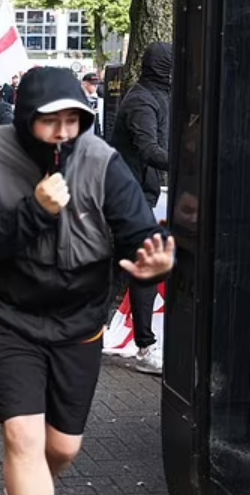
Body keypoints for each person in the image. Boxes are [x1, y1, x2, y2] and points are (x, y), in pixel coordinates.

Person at [0, 67, 175, 495]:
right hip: (6, 318)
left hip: (79, 323)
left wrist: (155, 261)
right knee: (24, 440)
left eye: (71, 121)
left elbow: (139, 233)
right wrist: (35, 210)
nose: (61, 132)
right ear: (26, 118)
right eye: (50, 120)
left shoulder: (100, 159)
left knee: (63, 448)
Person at [110, 42, 172, 375]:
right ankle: (146, 346)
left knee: (122, 269)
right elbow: (149, 149)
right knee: (143, 266)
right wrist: (196, 161)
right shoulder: (142, 102)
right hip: (127, 196)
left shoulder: (156, 96)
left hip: (137, 194)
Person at [81, 72, 104, 137]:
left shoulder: (100, 100)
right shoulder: (79, 100)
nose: (95, 86)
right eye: (93, 84)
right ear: (85, 84)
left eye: (97, 84)